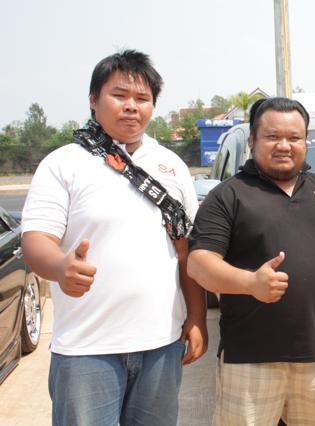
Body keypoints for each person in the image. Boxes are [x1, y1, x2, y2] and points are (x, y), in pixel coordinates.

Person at [21, 50, 208, 426]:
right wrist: (60, 267)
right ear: (93, 99)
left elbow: (186, 251)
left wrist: (197, 316)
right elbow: (35, 240)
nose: (131, 106)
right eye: (119, 95)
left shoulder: (171, 166)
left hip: (161, 345)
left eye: (142, 98)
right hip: (86, 350)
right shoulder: (63, 164)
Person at [187, 97, 315, 425]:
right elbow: (199, 263)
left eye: (294, 137)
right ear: (253, 140)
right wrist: (250, 283)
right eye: (272, 136)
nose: (284, 145)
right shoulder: (228, 195)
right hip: (249, 361)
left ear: (305, 142)